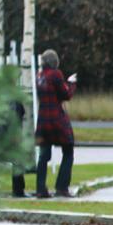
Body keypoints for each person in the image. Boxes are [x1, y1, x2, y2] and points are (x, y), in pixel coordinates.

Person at [35, 49, 77, 198]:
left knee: (43, 156)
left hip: (43, 120)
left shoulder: (39, 76)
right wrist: (71, 83)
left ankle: (40, 189)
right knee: (68, 150)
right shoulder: (56, 74)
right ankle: (61, 187)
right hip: (56, 120)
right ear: (55, 62)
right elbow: (65, 95)